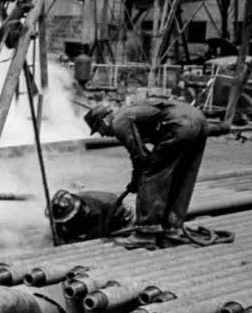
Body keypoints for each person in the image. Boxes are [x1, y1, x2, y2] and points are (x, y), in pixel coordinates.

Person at [83, 98, 208, 240]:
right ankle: (173, 227)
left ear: (104, 121)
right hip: (199, 120)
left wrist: (136, 180)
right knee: (183, 175)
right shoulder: (130, 110)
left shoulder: (119, 122)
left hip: (181, 125)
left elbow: (140, 158)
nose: (102, 134)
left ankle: (146, 232)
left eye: (99, 129)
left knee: (151, 175)